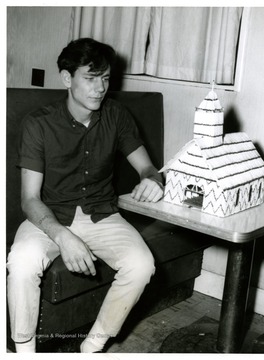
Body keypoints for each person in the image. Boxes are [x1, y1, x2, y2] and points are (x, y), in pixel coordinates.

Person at [6, 38, 164, 353]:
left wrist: (154, 180)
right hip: (49, 217)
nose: (100, 88)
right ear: (67, 79)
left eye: (105, 79)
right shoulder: (39, 124)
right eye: (90, 78)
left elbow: (148, 168)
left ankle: (92, 346)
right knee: (21, 262)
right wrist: (63, 236)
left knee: (142, 264)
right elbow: (29, 199)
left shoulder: (117, 115)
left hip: (102, 214)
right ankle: (24, 351)